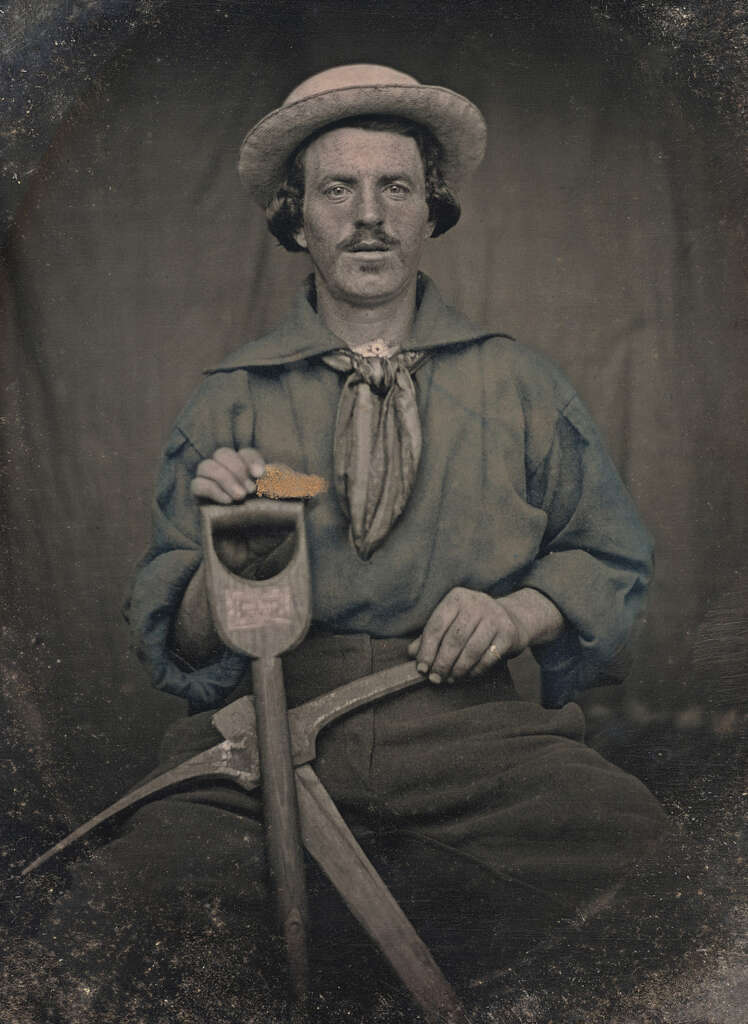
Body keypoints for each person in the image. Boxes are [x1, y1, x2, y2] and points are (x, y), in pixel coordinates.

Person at [14, 64, 671, 1022]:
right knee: (114, 922)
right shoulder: (227, 398)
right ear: (299, 217)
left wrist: (516, 610)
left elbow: (611, 560)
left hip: (470, 733)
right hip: (263, 741)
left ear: (429, 207)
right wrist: (223, 561)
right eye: (338, 189)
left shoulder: (521, 383)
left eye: (394, 187)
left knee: (655, 871)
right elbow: (183, 645)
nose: (369, 215)